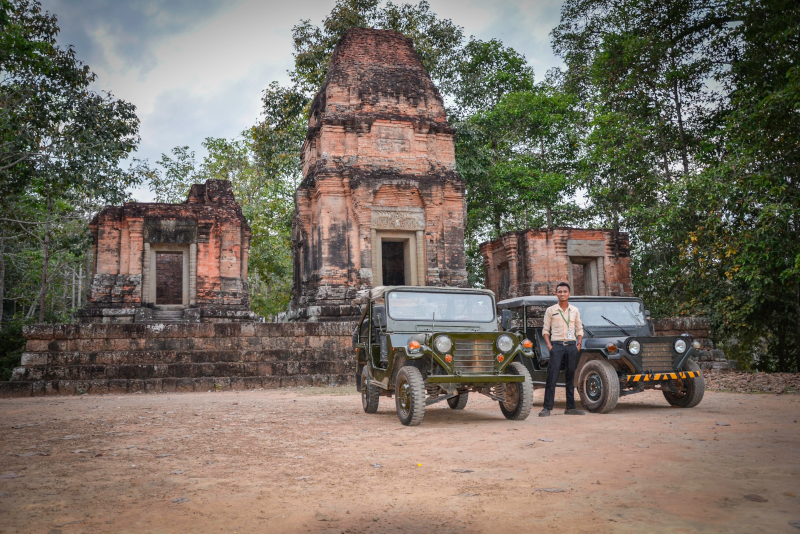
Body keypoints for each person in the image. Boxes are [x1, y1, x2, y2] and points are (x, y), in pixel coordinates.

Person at [540, 282, 586, 417]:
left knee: (571, 376)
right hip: (557, 346)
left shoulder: (575, 310)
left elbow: (579, 328)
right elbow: (545, 330)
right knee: (552, 376)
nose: (562, 294)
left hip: (572, 346)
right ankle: (547, 408)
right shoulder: (551, 310)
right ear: (556, 294)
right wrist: (549, 346)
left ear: (569, 294)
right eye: (559, 292)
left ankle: (571, 408)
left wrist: (579, 344)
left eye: (565, 291)